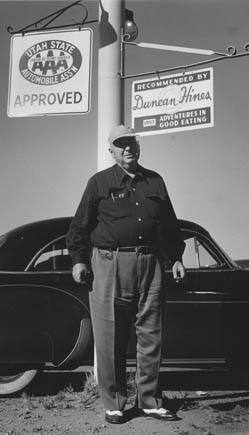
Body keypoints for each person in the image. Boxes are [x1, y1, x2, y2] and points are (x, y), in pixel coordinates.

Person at [66, 124, 185, 424]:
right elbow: (80, 226)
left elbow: (169, 225)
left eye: (132, 142)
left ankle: (149, 400)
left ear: (138, 145)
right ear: (112, 150)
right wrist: (79, 260)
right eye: (121, 144)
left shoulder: (155, 181)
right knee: (109, 337)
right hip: (109, 264)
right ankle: (115, 402)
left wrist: (177, 258)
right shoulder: (99, 182)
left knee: (151, 335)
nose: (128, 147)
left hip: (151, 263)